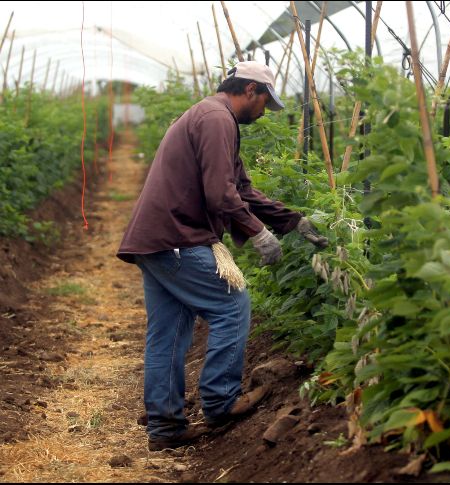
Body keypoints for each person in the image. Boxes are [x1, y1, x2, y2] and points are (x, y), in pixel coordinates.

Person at [117, 61, 328, 451]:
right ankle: (220, 402)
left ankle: (165, 428)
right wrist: (258, 234)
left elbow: (240, 188)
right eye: (265, 102)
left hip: (158, 239)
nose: (265, 112)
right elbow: (220, 194)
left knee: (170, 332)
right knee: (232, 306)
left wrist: (291, 221)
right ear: (250, 90)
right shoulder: (218, 119)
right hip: (177, 237)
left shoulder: (211, 116)